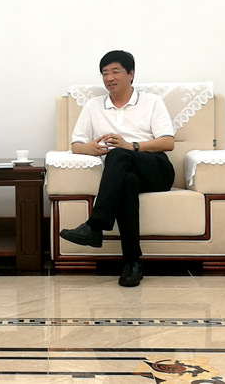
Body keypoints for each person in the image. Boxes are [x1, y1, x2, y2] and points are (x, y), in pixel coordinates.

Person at [59, 51, 175, 287]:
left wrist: (131, 146)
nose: (109, 78)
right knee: (127, 181)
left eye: (115, 72)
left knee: (118, 154)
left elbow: (168, 142)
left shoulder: (152, 102)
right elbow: (76, 145)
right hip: (122, 173)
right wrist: (89, 148)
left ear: (131, 74)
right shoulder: (93, 106)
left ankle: (94, 226)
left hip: (156, 168)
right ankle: (132, 263)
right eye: (104, 73)